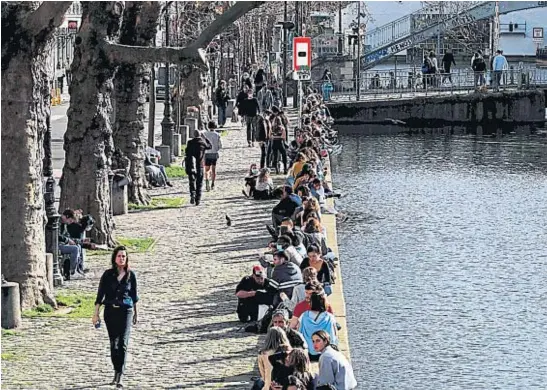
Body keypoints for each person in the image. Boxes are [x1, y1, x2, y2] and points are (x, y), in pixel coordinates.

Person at [93, 246, 139, 388]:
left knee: (123, 343)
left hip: (126, 311)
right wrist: (95, 314)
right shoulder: (107, 275)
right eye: (119, 256)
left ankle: (120, 374)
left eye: (124, 256)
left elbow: (134, 296)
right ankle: (115, 370)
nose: (121, 259)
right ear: (114, 258)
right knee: (114, 343)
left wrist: (136, 313)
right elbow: (100, 296)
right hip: (110, 312)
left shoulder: (131, 275)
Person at [298, 292, 338, 362]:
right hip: (325, 353)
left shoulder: (304, 316)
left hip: (308, 353)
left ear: (311, 303)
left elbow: (299, 332)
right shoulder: (329, 317)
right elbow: (334, 335)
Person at [185, 129, 212, 206]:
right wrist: (205, 138)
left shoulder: (190, 142)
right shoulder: (202, 143)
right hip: (199, 165)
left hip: (191, 165)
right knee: (199, 183)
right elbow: (210, 146)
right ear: (200, 135)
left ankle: (192, 194)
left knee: (192, 181)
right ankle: (198, 199)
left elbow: (186, 152)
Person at [59, 209, 85, 280]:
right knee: (75, 249)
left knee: (78, 246)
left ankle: (78, 268)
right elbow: (58, 236)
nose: (70, 222)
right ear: (67, 216)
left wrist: (74, 240)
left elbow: (66, 235)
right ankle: (72, 271)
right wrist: (67, 240)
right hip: (58, 245)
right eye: (70, 220)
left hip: (63, 243)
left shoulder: (64, 224)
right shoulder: (59, 222)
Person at [203, 121, 223, 191]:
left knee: (207, 169)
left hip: (207, 153)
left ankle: (207, 180)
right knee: (214, 169)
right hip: (214, 153)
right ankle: (213, 184)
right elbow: (220, 145)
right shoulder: (217, 135)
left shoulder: (204, 134)